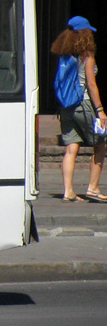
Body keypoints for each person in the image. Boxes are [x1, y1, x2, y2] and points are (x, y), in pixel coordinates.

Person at [51, 15, 107, 203]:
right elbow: (91, 85)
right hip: (84, 106)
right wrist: (100, 110)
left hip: (66, 107)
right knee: (100, 145)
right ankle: (92, 188)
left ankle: (68, 191)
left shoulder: (64, 55)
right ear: (84, 33)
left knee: (71, 147)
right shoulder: (87, 55)